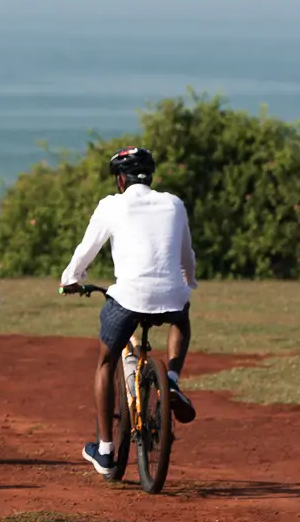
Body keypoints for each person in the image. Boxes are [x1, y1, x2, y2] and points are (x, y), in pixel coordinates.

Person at [60, 145, 199, 477]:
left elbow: (86, 250)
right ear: (149, 176)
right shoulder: (174, 203)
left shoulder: (111, 206)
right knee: (181, 317)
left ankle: (106, 450)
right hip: (172, 296)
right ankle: (174, 380)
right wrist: (187, 283)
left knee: (105, 362)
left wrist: (71, 279)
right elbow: (186, 256)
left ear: (120, 179)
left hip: (128, 298)